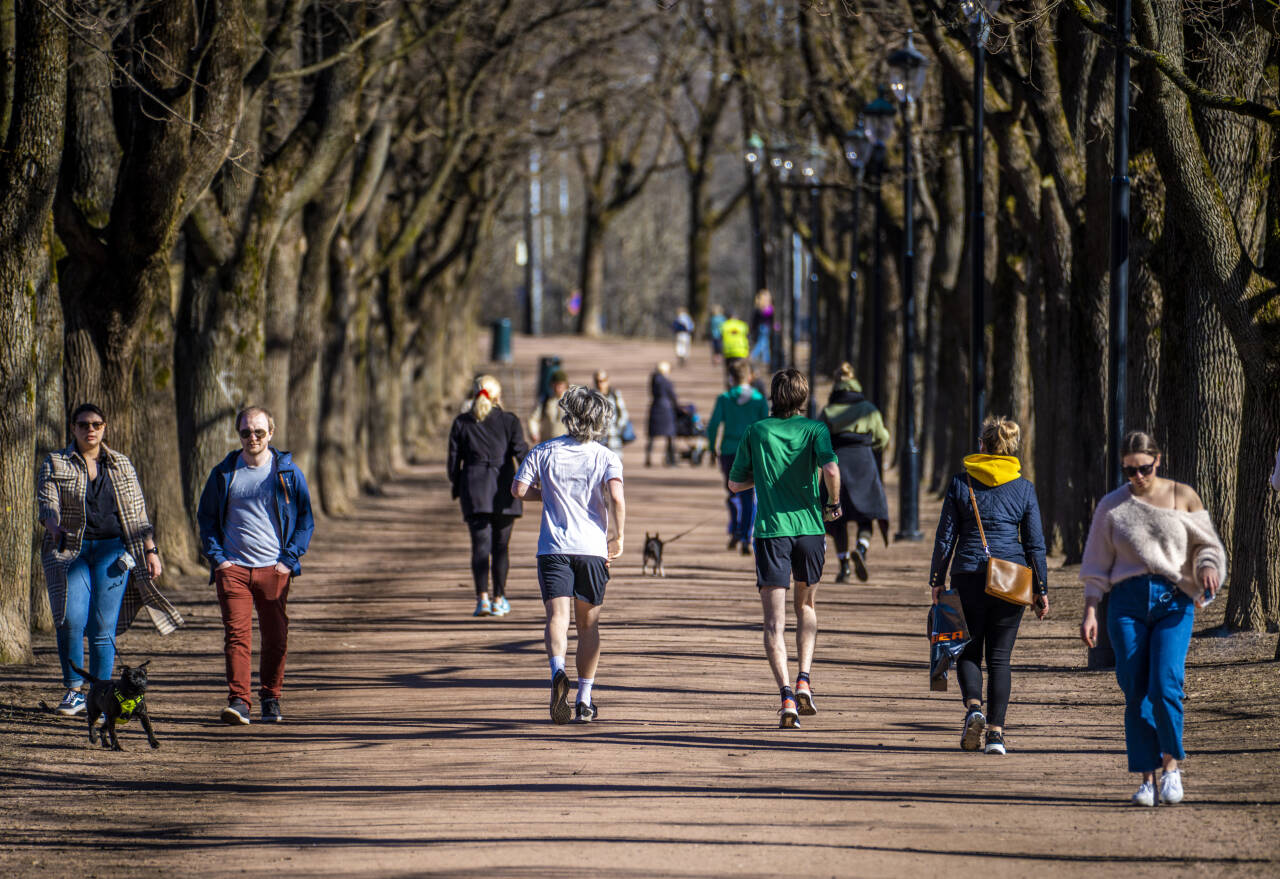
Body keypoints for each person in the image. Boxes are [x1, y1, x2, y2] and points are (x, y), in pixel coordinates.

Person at [1079, 431, 1227, 807]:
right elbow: (1096, 563)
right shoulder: (1112, 506)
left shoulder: (1181, 496)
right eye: (1129, 470)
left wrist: (1207, 566)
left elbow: (1207, 544)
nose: (1138, 477)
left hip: (1173, 600)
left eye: (1144, 468)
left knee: (1165, 685)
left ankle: (1172, 765)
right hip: (1126, 603)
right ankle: (1147, 779)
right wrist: (1091, 610)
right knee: (1136, 690)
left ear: (1157, 461)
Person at [37, 404, 182, 716]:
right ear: (73, 428)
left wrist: (151, 550)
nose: (91, 429)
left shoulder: (121, 464)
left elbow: (138, 512)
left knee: (102, 628)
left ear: (105, 427)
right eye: (84, 424)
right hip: (70, 552)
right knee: (70, 620)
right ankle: (74, 690)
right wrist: (53, 525)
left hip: (114, 552)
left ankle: (101, 695)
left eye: (97, 424)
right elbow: (47, 501)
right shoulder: (56, 462)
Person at [928, 415, 1048, 756]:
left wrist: (937, 579)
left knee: (968, 649)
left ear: (982, 446)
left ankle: (974, 708)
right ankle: (996, 734)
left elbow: (945, 538)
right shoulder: (1024, 488)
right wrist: (1042, 589)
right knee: (1000, 658)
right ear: (1011, 449)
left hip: (967, 574)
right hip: (1010, 579)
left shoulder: (960, 482)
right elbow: (1035, 544)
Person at [727, 368, 841, 729]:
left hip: (771, 532)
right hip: (810, 529)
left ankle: (787, 695)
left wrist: (760, 477)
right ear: (804, 397)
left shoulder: (756, 431)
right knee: (806, 606)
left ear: (773, 396)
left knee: (773, 622)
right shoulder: (815, 430)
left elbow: (734, 484)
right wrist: (833, 504)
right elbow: (832, 471)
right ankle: (806, 677)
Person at [513, 386, 625, 724]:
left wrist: (546, 496)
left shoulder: (543, 451)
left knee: (556, 617)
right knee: (588, 624)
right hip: (591, 548)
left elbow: (518, 490)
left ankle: (557, 671)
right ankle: (585, 698)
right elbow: (617, 497)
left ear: (567, 416)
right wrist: (618, 536)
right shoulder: (605, 456)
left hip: (553, 548)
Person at [197, 405, 315, 725]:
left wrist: (288, 561)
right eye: (246, 432)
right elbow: (206, 518)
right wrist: (218, 559)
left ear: (271, 434)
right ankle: (239, 701)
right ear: (239, 435)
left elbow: (305, 520)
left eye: (259, 432)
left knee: (275, 637)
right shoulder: (224, 473)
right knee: (237, 636)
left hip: (274, 570)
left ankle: (271, 697)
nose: (253, 437)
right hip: (233, 568)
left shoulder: (287, 473)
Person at [449, 375, 528, 618]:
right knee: (501, 548)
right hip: (504, 491)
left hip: (474, 492)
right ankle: (499, 598)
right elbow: (522, 453)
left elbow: (453, 463)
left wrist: (458, 485)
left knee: (480, 547)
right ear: (498, 395)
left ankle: (482, 598)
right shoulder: (509, 421)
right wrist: (529, 481)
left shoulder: (462, 422)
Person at [819, 363, 890, 583]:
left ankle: (844, 569)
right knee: (866, 514)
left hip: (837, 465)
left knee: (836, 517)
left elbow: (819, 439)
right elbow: (883, 438)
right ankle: (861, 548)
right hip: (864, 463)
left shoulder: (828, 411)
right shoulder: (869, 409)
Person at [707, 360, 769, 554]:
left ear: (731, 378)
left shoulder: (724, 399)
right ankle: (746, 535)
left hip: (729, 450)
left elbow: (713, 425)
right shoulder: (759, 399)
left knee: (733, 491)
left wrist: (711, 448)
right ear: (750, 377)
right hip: (752, 451)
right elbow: (766, 427)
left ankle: (735, 527)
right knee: (751, 494)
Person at [646, 361, 679, 467]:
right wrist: (678, 407)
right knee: (669, 435)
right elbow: (673, 396)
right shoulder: (666, 382)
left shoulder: (653, 380)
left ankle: (648, 458)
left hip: (655, 407)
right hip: (666, 409)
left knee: (652, 436)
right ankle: (671, 459)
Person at [594, 370, 633, 457]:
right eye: (597, 381)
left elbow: (623, 414)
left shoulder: (615, 395)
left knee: (614, 466)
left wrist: (617, 428)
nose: (600, 384)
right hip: (598, 440)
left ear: (607, 381)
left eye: (602, 380)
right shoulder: (592, 397)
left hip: (614, 438)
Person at [528, 369, 570, 445]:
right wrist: (534, 432)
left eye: (560, 384)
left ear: (566, 385)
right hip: (548, 444)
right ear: (551, 385)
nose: (558, 387)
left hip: (567, 444)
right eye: (555, 384)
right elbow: (533, 419)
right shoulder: (545, 401)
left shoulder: (572, 401)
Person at [720, 311, 751, 381]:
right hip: (741, 351)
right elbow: (748, 337)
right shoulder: (743, 325)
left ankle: (729, 385)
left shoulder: (725, 325)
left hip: (728, 352)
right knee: (740, 371)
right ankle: (739, 384)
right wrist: (748, 350)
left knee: (729, 371)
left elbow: (721, 337)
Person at [749, 289, 775, 366]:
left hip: (761, 327)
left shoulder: (759, 307)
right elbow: (770, 316)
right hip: (764, 328)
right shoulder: (767, 308)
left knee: (765, 344)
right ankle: (753, 356)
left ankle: (766, 360)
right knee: (762, 343)